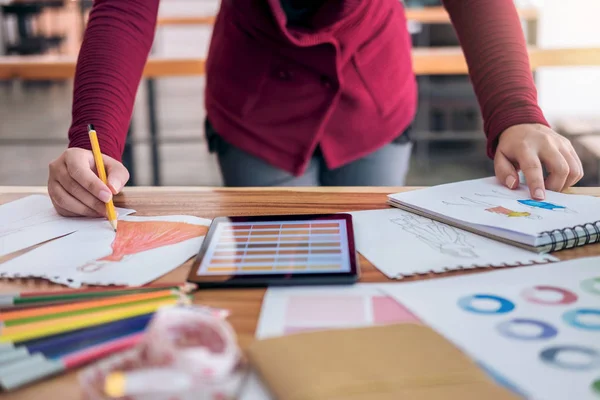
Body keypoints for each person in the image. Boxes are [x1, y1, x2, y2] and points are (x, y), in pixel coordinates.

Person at [48, 0, 583, 217]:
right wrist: (93, 138)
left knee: (376, 245)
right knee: (272, 263)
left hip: (373, 92)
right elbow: (126, 8)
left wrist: (516, 112)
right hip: (257, 105)